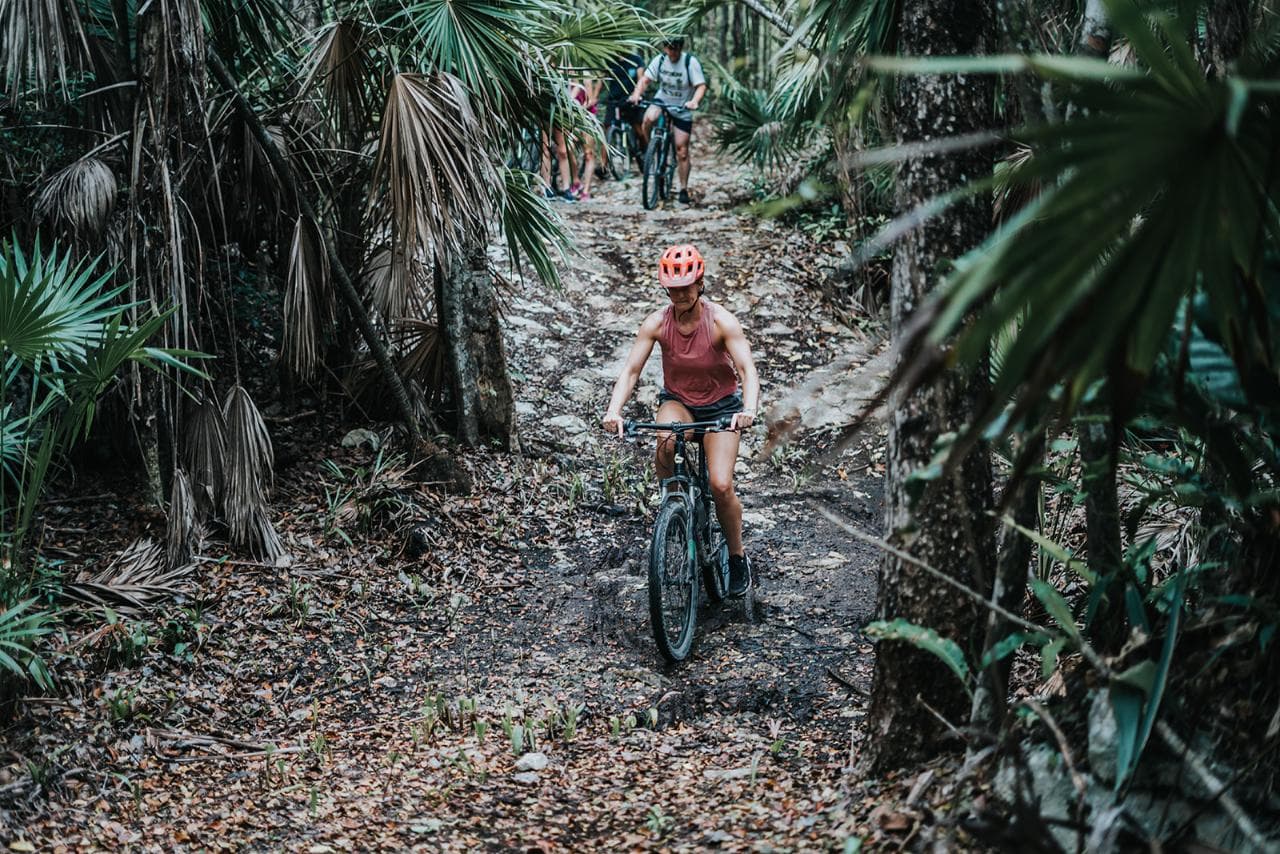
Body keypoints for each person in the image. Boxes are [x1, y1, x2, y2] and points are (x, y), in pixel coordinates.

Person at [602, 244, 760, 595]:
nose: (679, 294)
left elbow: (748, 369)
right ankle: (674, 510)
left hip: (721, 408)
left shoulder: (721, 322)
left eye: (686, 287)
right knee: (665, 441)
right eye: (673, 288)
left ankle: (736, 557)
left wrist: (748, 409)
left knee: (720, 485)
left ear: (700, 284)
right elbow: (631, 371)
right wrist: (614, 410)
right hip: (680, 403)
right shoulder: (657, 323)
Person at [627, 37, 707, 205]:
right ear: (665, 48)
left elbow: (701, 85)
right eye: (669, 48)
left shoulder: (689, 62)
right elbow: (645, 80)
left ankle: (683, 188)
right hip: (662, 100)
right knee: (649, 117)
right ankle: (652, 149)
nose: (672, 52)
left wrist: (694, 101)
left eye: (676, 48)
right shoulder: (660, 60)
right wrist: (636, 94)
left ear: (681, 47)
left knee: (682, 150)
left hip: (682, 106)